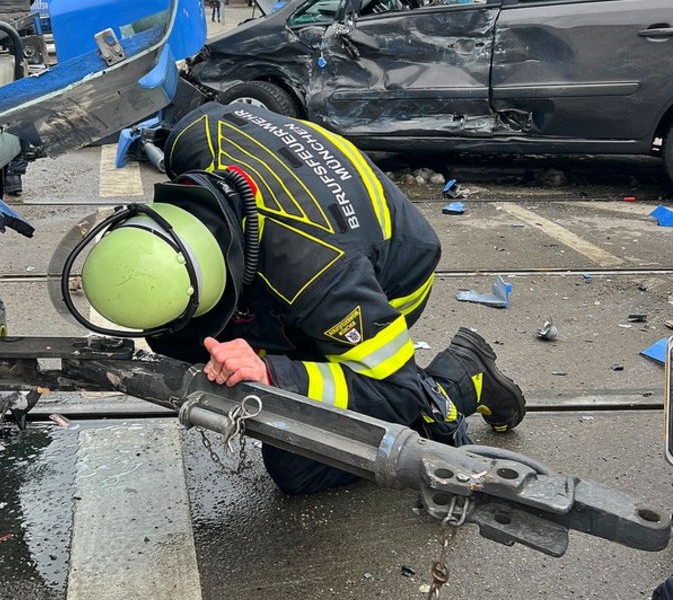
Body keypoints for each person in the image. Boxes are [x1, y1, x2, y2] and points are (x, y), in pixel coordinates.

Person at [80, 102, 526, 495]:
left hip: (390, 276)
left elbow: (397, 391)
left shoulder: (327, 283)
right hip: (322, 245)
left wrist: (273, 373)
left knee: (299, 467)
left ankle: (461, 380)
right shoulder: (197, 137)